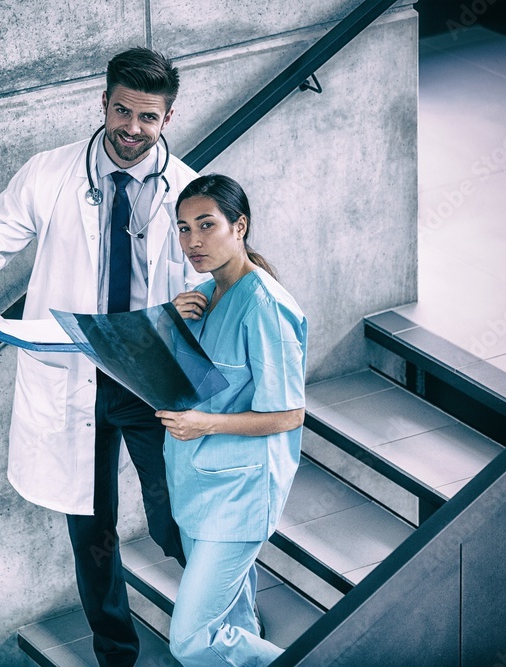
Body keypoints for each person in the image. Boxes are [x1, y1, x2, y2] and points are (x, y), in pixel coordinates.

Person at [0, 48, 203, 666]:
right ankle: (117, 654)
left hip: (149, 378)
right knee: (91, 534)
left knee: (179, 518)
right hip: (74, 375)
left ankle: (218, 624)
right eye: (121, 111)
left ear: (168, 117)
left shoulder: (191, 190)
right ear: (104, 103)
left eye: (148, 117)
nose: (131, 129)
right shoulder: (52, 173)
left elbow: (224, 274)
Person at [156, 174, 307, 666]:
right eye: (183, 229)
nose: (193, 241)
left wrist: (206, 425)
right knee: (233, 624)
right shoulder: (201, 297)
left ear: (239, 226)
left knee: (193, 639)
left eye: (206, 225)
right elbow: (172, 379)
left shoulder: (264, 306)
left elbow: (288, 413)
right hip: (193, 483)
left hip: (238, 496)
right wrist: (170, 323)